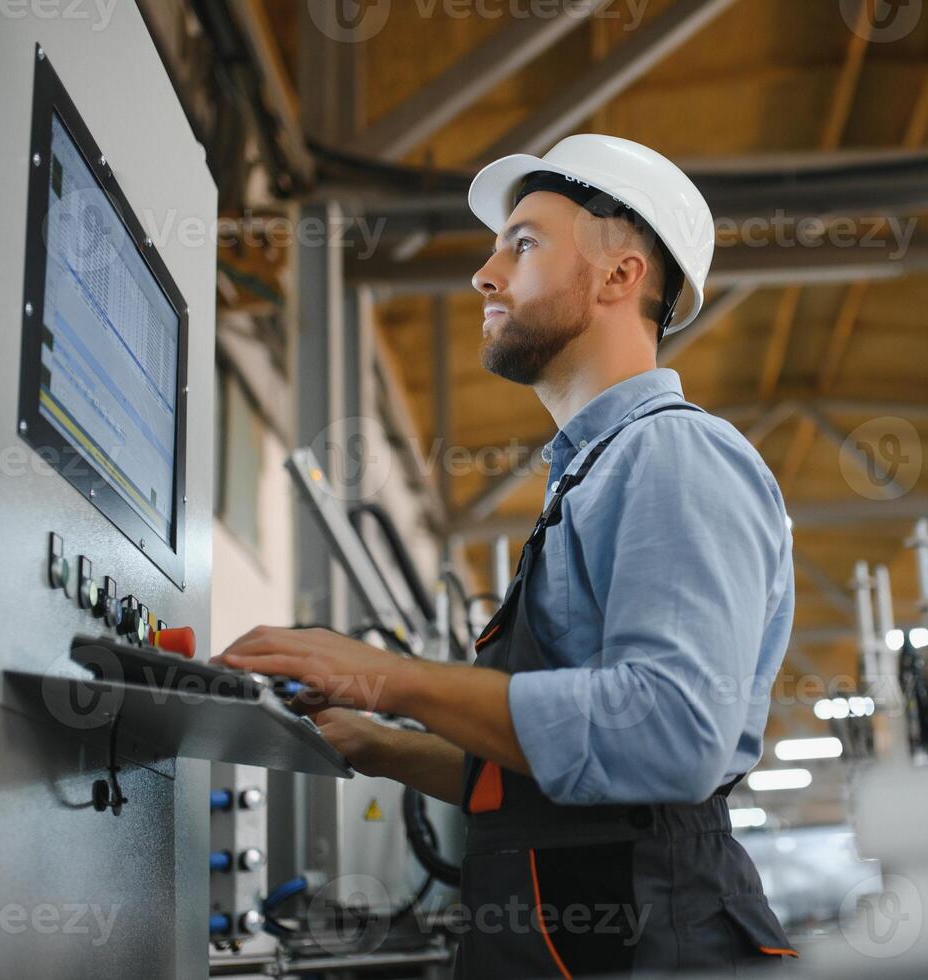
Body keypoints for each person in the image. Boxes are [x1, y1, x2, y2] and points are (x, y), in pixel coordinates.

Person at [214, 134, 798, 976]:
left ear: (617, 275)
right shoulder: (591, 480)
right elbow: (557, 785)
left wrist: (392, 674)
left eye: (521, 244)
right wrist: (374, 741)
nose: (484, 275)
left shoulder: (671, 455)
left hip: (653, 947)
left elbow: (674, 732)